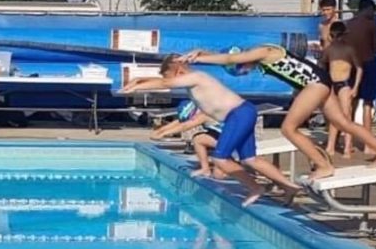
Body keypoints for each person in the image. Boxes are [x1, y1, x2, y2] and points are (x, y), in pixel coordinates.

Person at [178, 39, 376, 180]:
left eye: (243, 69)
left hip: (314, 85)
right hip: (319, 81)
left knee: (288, 129)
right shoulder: (257, 54)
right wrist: (200, 52)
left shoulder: (263, 51)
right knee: (343, 123)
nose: (247, 70)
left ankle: (323, 165)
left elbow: (230, 57)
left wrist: (201, 56)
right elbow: (229, 56)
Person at [121, 55, 303, 207]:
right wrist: (139, 80)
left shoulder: (197, 76)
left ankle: (255, 188)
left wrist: (138, 86)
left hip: (238, 114)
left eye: (172, 77)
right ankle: (288, 187)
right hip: (242, 112)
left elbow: (164, 83)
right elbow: (164, 81)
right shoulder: (190, 82)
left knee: (220, 158)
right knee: (250, 159)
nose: (172, 82)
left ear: (178, 71)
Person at [343, 0, 376, 154]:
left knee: (352, 103)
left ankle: (349, 142)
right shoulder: (372, 23)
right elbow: (375, 47)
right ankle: (368, 144)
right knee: (367, 103)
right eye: (373, 10)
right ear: (367, 9)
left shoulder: (348, 24)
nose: (374, 13)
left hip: (352, 65)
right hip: (368, 62)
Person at [320, 21, 363, 159]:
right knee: (334, 117)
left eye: (338, 36)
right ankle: (331, 146)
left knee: (346, 117)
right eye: (334, 36)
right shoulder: (329, 49)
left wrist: (355, 87)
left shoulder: (349, 49)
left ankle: (347, 147)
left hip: (344, 85)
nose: (336, 39)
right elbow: (322, 63)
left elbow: (359, 68)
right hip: (333, 84)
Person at [151, 106, 226, 178]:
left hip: (229, 141)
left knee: (198, 139)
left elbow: (185, 126)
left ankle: (205, 169)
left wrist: (163, 133)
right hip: (227, 139)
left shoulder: (205, 114)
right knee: (219, 173)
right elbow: (180, 122)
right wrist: (161, 131)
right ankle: (218, 168)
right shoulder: (207, 110)